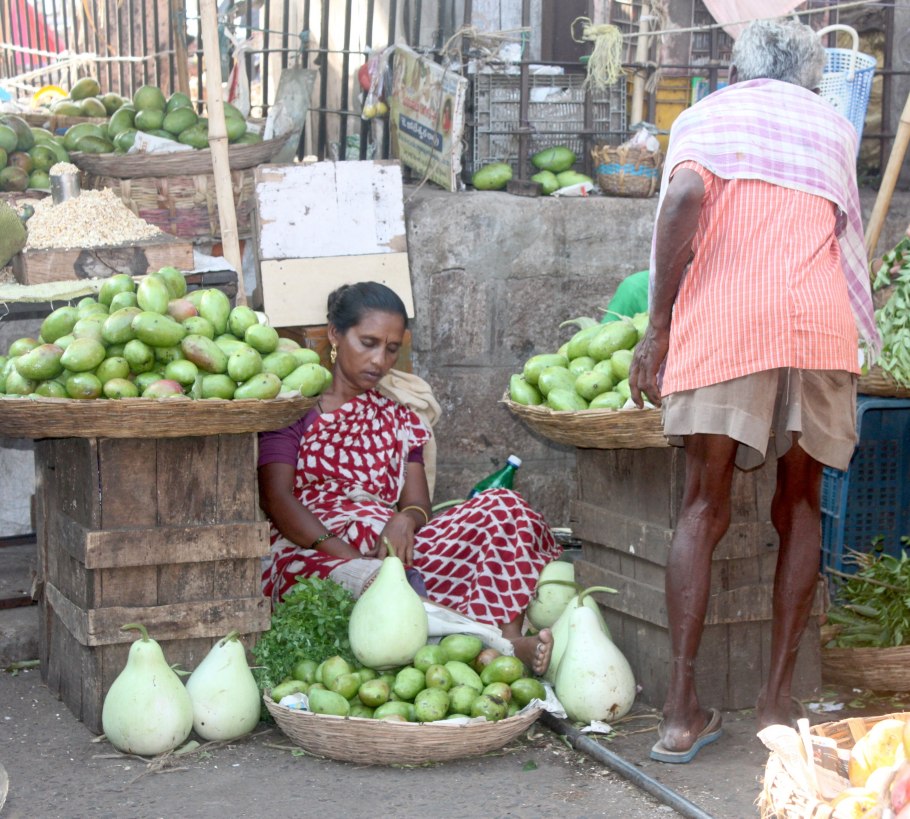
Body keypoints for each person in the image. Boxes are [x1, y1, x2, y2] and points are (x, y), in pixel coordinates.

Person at [628, 19, 880, 763]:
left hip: (728, 322)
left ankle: (680, 713)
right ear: (808, 76)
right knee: (799, 505)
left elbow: (682, 197)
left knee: (701, 507)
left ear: (738, 69)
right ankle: (775, 701)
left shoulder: (708, 117)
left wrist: (657, 328)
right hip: (815, 326)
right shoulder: (831, 127)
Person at [258, 281, 563, 673]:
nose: (379, 360)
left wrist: (405, 518)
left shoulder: (400, 419)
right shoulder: (295, 409)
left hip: (393, 551)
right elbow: (277, 499)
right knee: (373, 587)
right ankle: (487, 645)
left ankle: (509, 637)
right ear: (335, 334)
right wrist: (350, 556)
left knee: (503, 507)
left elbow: (418, 505)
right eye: (368, 343)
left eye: (391, 349)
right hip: (314, 554)